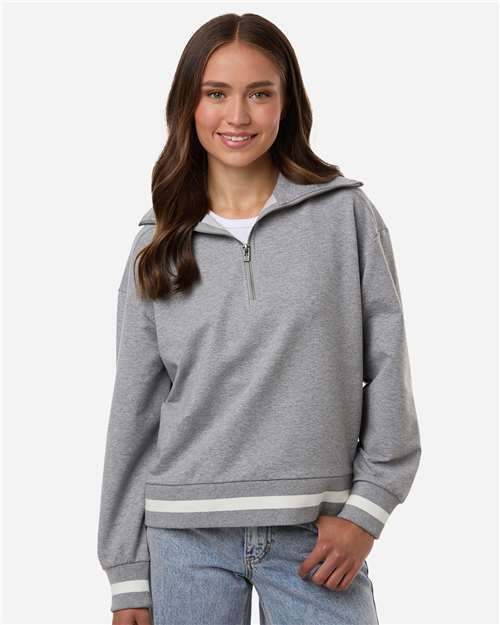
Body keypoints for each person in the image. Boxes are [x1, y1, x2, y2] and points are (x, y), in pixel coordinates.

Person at [97, 12, 422, 625]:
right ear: (188, 105)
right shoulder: (155, 244)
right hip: (183, 541)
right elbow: (133, 416)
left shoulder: (345, 216)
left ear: (287, 102)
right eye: (216, 93)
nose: (238, 116)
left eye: (260, 93)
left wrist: (367, 510)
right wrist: (127, 576)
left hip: (317, 538)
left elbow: (388, 369)